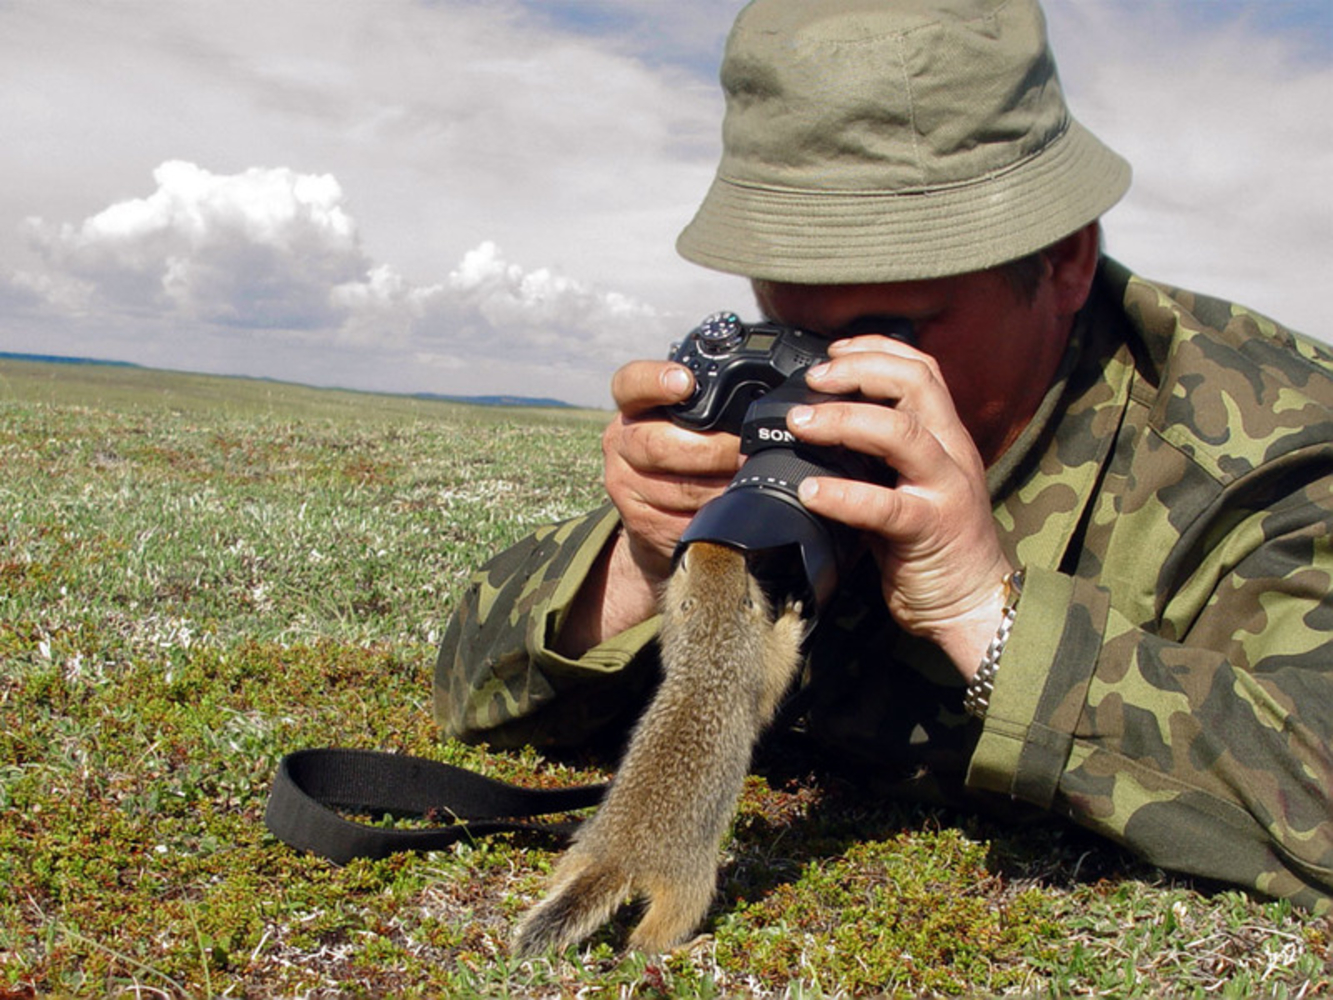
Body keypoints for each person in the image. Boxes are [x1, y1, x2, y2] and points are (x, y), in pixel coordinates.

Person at [433, 0, 1333, 911]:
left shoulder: (1274, 449)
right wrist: (643, 562)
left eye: (896, 326)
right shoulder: (788, 400)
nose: (832, 376)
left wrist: (988, 619)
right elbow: (469, 683)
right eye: (789, 318)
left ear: (1063, 262)